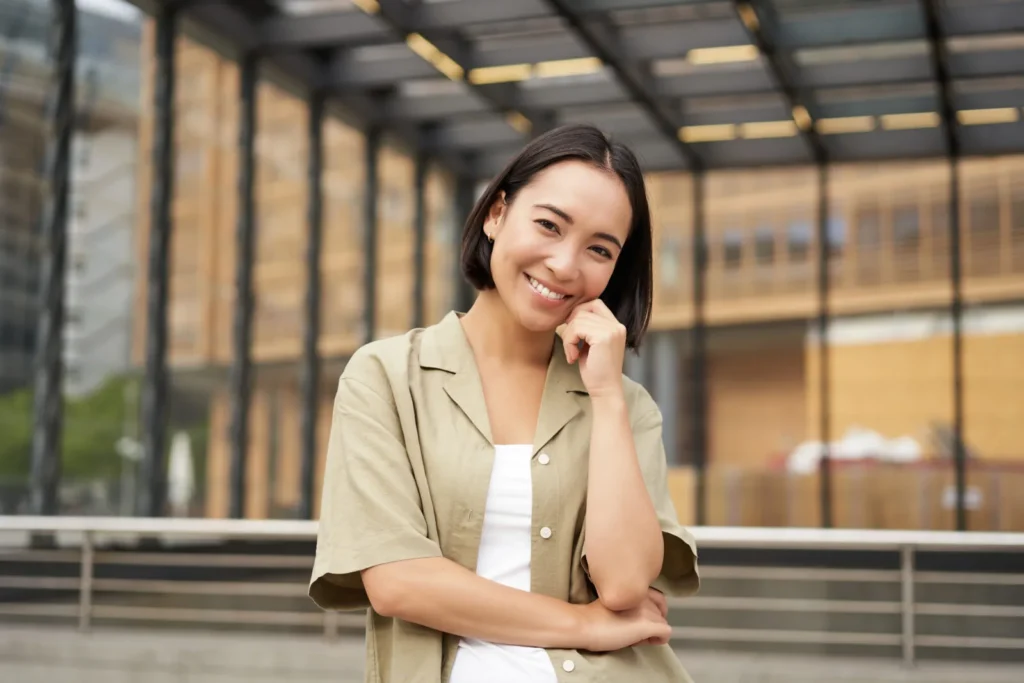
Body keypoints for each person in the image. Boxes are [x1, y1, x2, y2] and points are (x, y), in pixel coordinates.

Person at [309, 123, 699, 683]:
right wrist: (581, 625)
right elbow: (396, 582)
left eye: (599, 249)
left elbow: (624, 585)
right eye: (548, 225)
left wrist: (608, 397)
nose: (566, 265)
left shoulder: (626, 404)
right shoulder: (386, 377)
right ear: (496, 214)